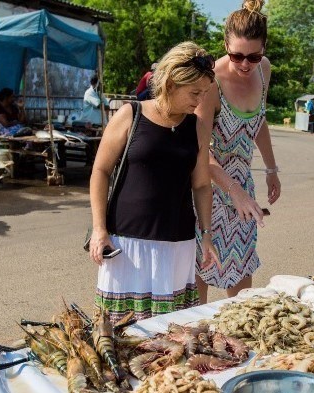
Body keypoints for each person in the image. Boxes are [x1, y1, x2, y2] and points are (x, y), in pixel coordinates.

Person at [88, 42, 219, 323]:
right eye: (194, 92)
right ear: (171, 83)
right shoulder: (130, 115)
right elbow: (100, 171)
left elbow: (201, 185)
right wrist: (99, 230)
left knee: (171, 335)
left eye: (205, 93)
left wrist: (206, 235)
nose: (200, 100)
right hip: (126, 245)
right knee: (119, 334)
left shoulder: (197, 127)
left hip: (176, 247)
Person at [194, 0, 281, 304]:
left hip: (242, 182)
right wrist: (233, 191)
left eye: (254, 56)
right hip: (208, 186)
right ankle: (197, 339)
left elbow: (259, 122)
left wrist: (271, 169)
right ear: (225, 45)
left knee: (242, 279)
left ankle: (240, 341)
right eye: (237, 56)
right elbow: (201, 151)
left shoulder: (264, 70)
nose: (245, 64)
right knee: (201, 271)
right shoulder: (209, 83)